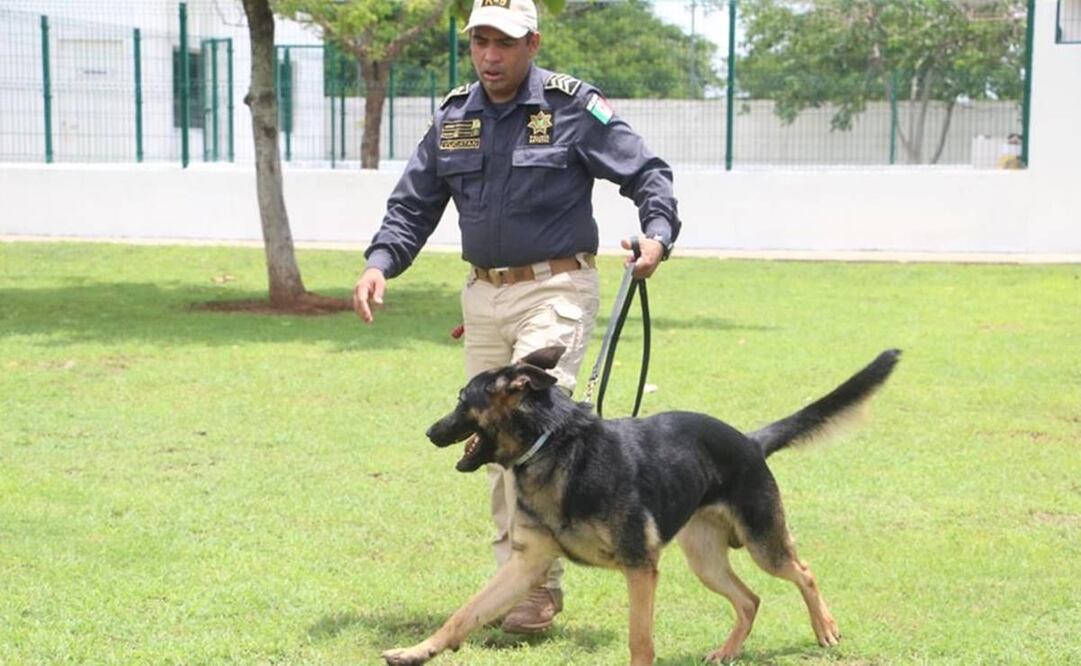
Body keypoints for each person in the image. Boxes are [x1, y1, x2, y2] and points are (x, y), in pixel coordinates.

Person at [354, 0, 680, 635]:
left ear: (532, 42)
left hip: (554, 287)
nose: (490, 56)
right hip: (483, 297)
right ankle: (523, 574)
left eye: (503, 42)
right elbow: (412, 205)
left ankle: (537, 591)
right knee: (497, 444)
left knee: (531, 422)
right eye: (479, 41)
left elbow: (647, 173)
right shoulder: (455, 116)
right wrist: (379, 264)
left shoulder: (569, 106)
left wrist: (656, 235)